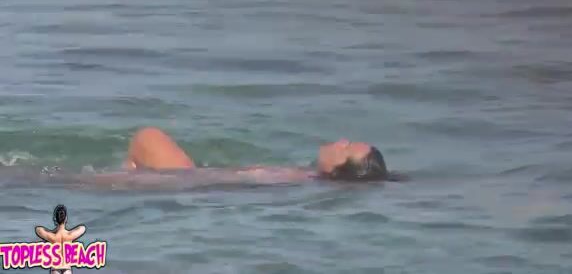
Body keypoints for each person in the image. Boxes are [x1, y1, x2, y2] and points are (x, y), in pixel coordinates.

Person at [79, 127, 390, 189]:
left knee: (148, 137)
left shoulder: (295, 179)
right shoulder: (303, 177)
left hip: (191, 180)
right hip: (194, 181)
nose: (341, 141)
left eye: (346, 148)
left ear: (336, 170)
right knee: (110, 178)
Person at [35, 205, 86, 274]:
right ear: (66, 218)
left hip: (55, 269)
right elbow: (83, 228)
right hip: (67, 269)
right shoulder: (70, 235)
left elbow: (38, 229)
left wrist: (53, 231)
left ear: (55, 219)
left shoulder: (52, 236)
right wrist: (69, 231)